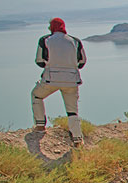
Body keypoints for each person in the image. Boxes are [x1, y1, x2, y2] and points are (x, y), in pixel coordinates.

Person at [31, 17, 87, 146]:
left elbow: (39, 61)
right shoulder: (75, 41)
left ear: (52, 27)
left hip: (51, 79)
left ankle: (40, 126)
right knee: (72, 111)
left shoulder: (45, 40)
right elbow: (82, 62)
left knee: (36, 96)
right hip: (72, 80)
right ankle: (77, 139)